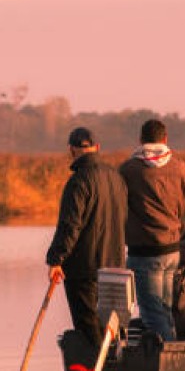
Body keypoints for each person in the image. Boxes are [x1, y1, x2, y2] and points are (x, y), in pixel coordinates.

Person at [44, 127, 128, 349]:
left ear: (71, 150)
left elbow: (70, 226)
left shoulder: (78, 182)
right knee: (112, 329)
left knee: (90, 332)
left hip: (85, 271)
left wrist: (56, 259)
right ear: (97, 148)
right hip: (115, 267)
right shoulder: (117, 178)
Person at [119, 119, 185, 342]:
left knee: (152, 313)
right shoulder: (180, 167)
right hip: (172, 248)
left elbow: (119, 205)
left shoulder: (129, 169)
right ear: (165, 139)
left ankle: (167, 357)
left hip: (143, 251)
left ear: (141, 140)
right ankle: (172, 352)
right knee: (165, 309)